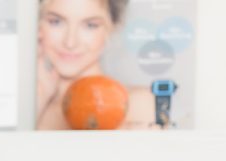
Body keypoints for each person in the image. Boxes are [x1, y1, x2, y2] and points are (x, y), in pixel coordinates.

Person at [37, 0, 153, 130]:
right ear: (36, 26)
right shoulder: (28, 107)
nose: (70, 42)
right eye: (55, 22)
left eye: (90, 25)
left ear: (112, 28)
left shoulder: (135, 104)